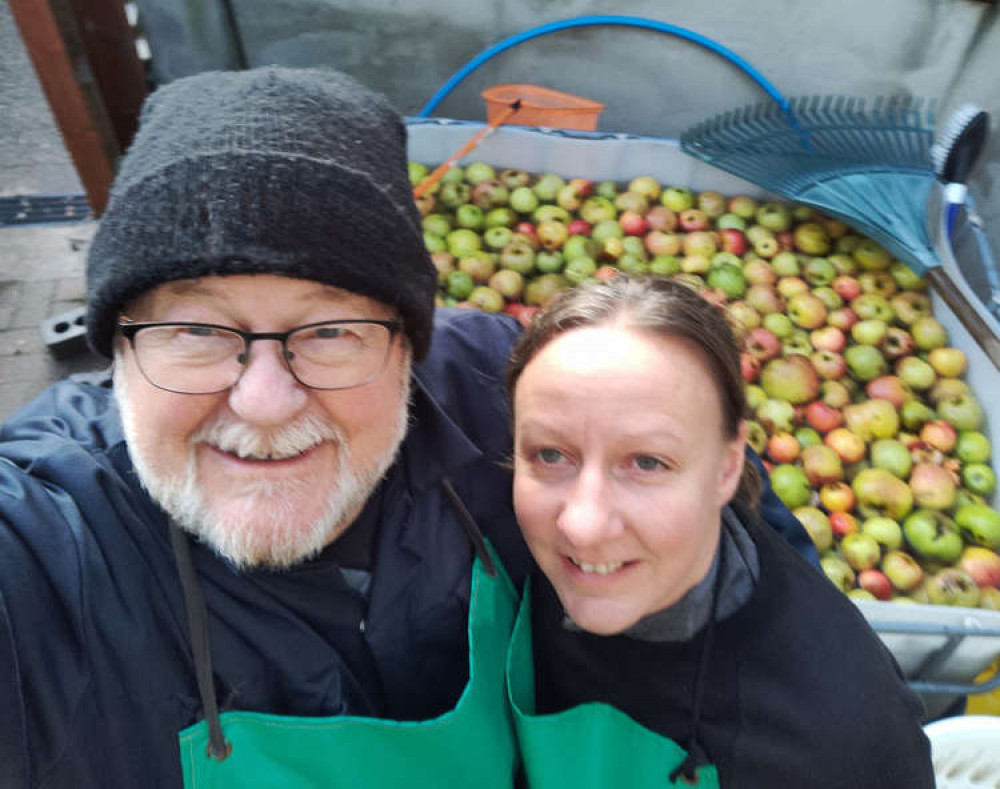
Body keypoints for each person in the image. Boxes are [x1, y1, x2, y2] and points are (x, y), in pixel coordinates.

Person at [0, 67, 811, 787]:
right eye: (197, 332)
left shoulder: (511, 399)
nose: (265, 401)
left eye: (329, 332)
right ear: (119, 350)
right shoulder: (48, 538)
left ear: (406, 349)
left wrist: (683, 605)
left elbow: (758, 569)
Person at [504, 275, 935, 788]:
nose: (583, 524)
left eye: (647, 462)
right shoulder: (494, 539)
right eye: (549, 455)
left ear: (728, 468)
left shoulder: (843, 744)